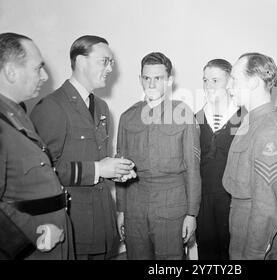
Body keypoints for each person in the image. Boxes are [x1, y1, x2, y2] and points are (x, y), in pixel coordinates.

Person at [30, 35, 134, 260]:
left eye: (111, 63)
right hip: (74, 227)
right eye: (103, 61)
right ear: (80, 61)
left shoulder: (102, 107)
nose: (109, 69)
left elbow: (98, 158)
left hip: (103, 225)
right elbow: (43, 172)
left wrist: (117, 171)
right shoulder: (52, 106)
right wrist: (98, 169)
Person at [116, 52, 201, 260]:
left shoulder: (183, 114)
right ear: (140, 80)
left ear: (169, 81)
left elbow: (193, 168)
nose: (151, 83)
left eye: (158, 78)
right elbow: (121, 166)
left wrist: (191, 214)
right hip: (135, 205)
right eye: (146, 78)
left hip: (171, 204)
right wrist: (121, 210)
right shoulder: (128, 117)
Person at [0, 32, 73, 259]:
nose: (44, 75)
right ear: (11, 72)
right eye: (37, 68)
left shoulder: (16, 113)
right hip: (35, 245)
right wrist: (33, 232)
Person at [222, 53, 277, 260]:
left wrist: (255, 252)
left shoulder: (269, 128)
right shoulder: (251, 120)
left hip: (254, 230)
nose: (228, 86)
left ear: (252, 82)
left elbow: (267, 205)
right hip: (242, 221)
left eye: (234, 79)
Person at [195, 59, 243, 260]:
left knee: (231, 253)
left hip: (233, 200)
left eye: (215, 80)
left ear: (230, 82)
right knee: (206, 252)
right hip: (203, 201)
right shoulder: (195, 118)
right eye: (206, 80)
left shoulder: (243, 118)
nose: (209, 86)